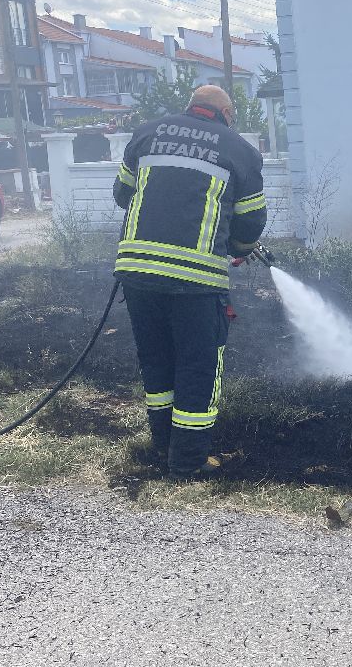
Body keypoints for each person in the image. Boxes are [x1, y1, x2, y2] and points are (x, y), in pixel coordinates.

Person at [112, 85, 267, 478]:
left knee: (157, 360)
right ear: (227, 113)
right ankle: (187, 463)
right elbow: (251, 221)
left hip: (138, 273)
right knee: (198, 367)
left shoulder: (147, 133)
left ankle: (162, 446)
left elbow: (122, 194)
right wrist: (240, 247)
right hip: (195, 280)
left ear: (191, 107)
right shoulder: (240, 151)